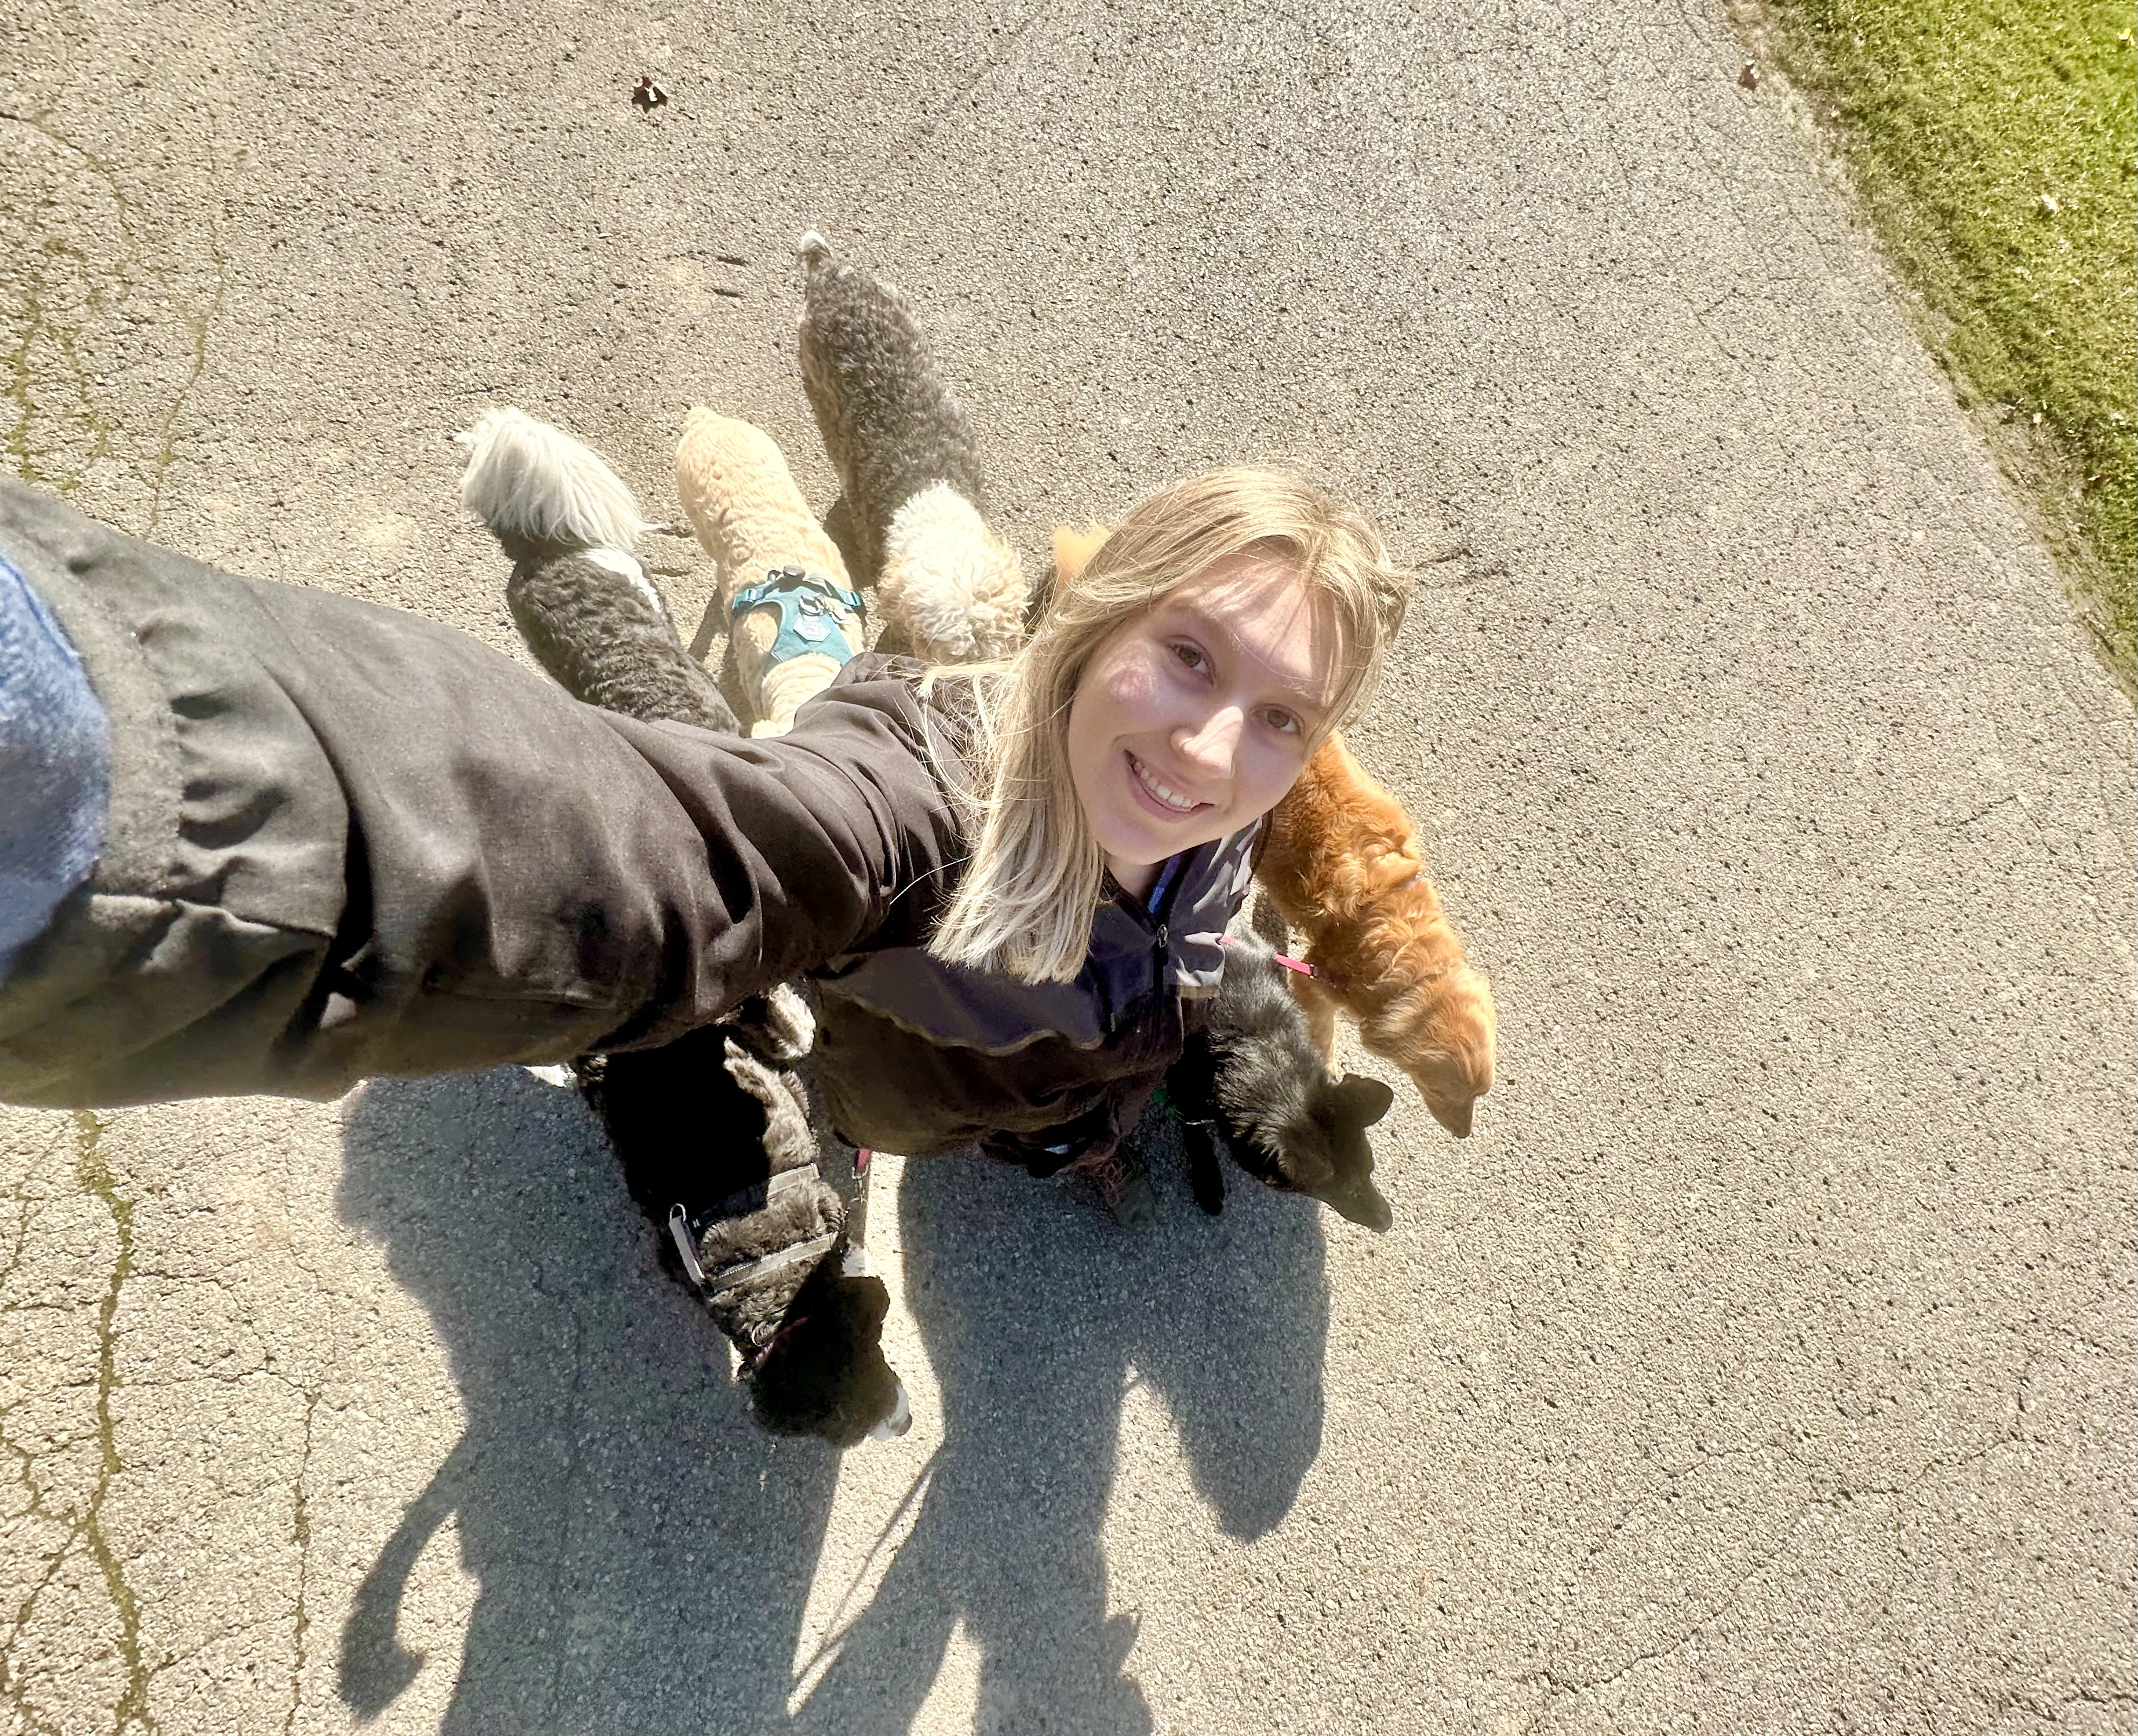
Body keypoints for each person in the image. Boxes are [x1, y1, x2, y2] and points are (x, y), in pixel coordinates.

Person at [0, 467, 1408, 1187]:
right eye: (1190, 658)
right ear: (1098, 623)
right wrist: (132, 790)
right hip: (890, 1085)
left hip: (1037, 1096)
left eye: (1283, 716)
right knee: (719, 735)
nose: (1213, 751)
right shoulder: (915, 810)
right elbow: (653, 858)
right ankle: (596, 571)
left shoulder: (1217, 824)